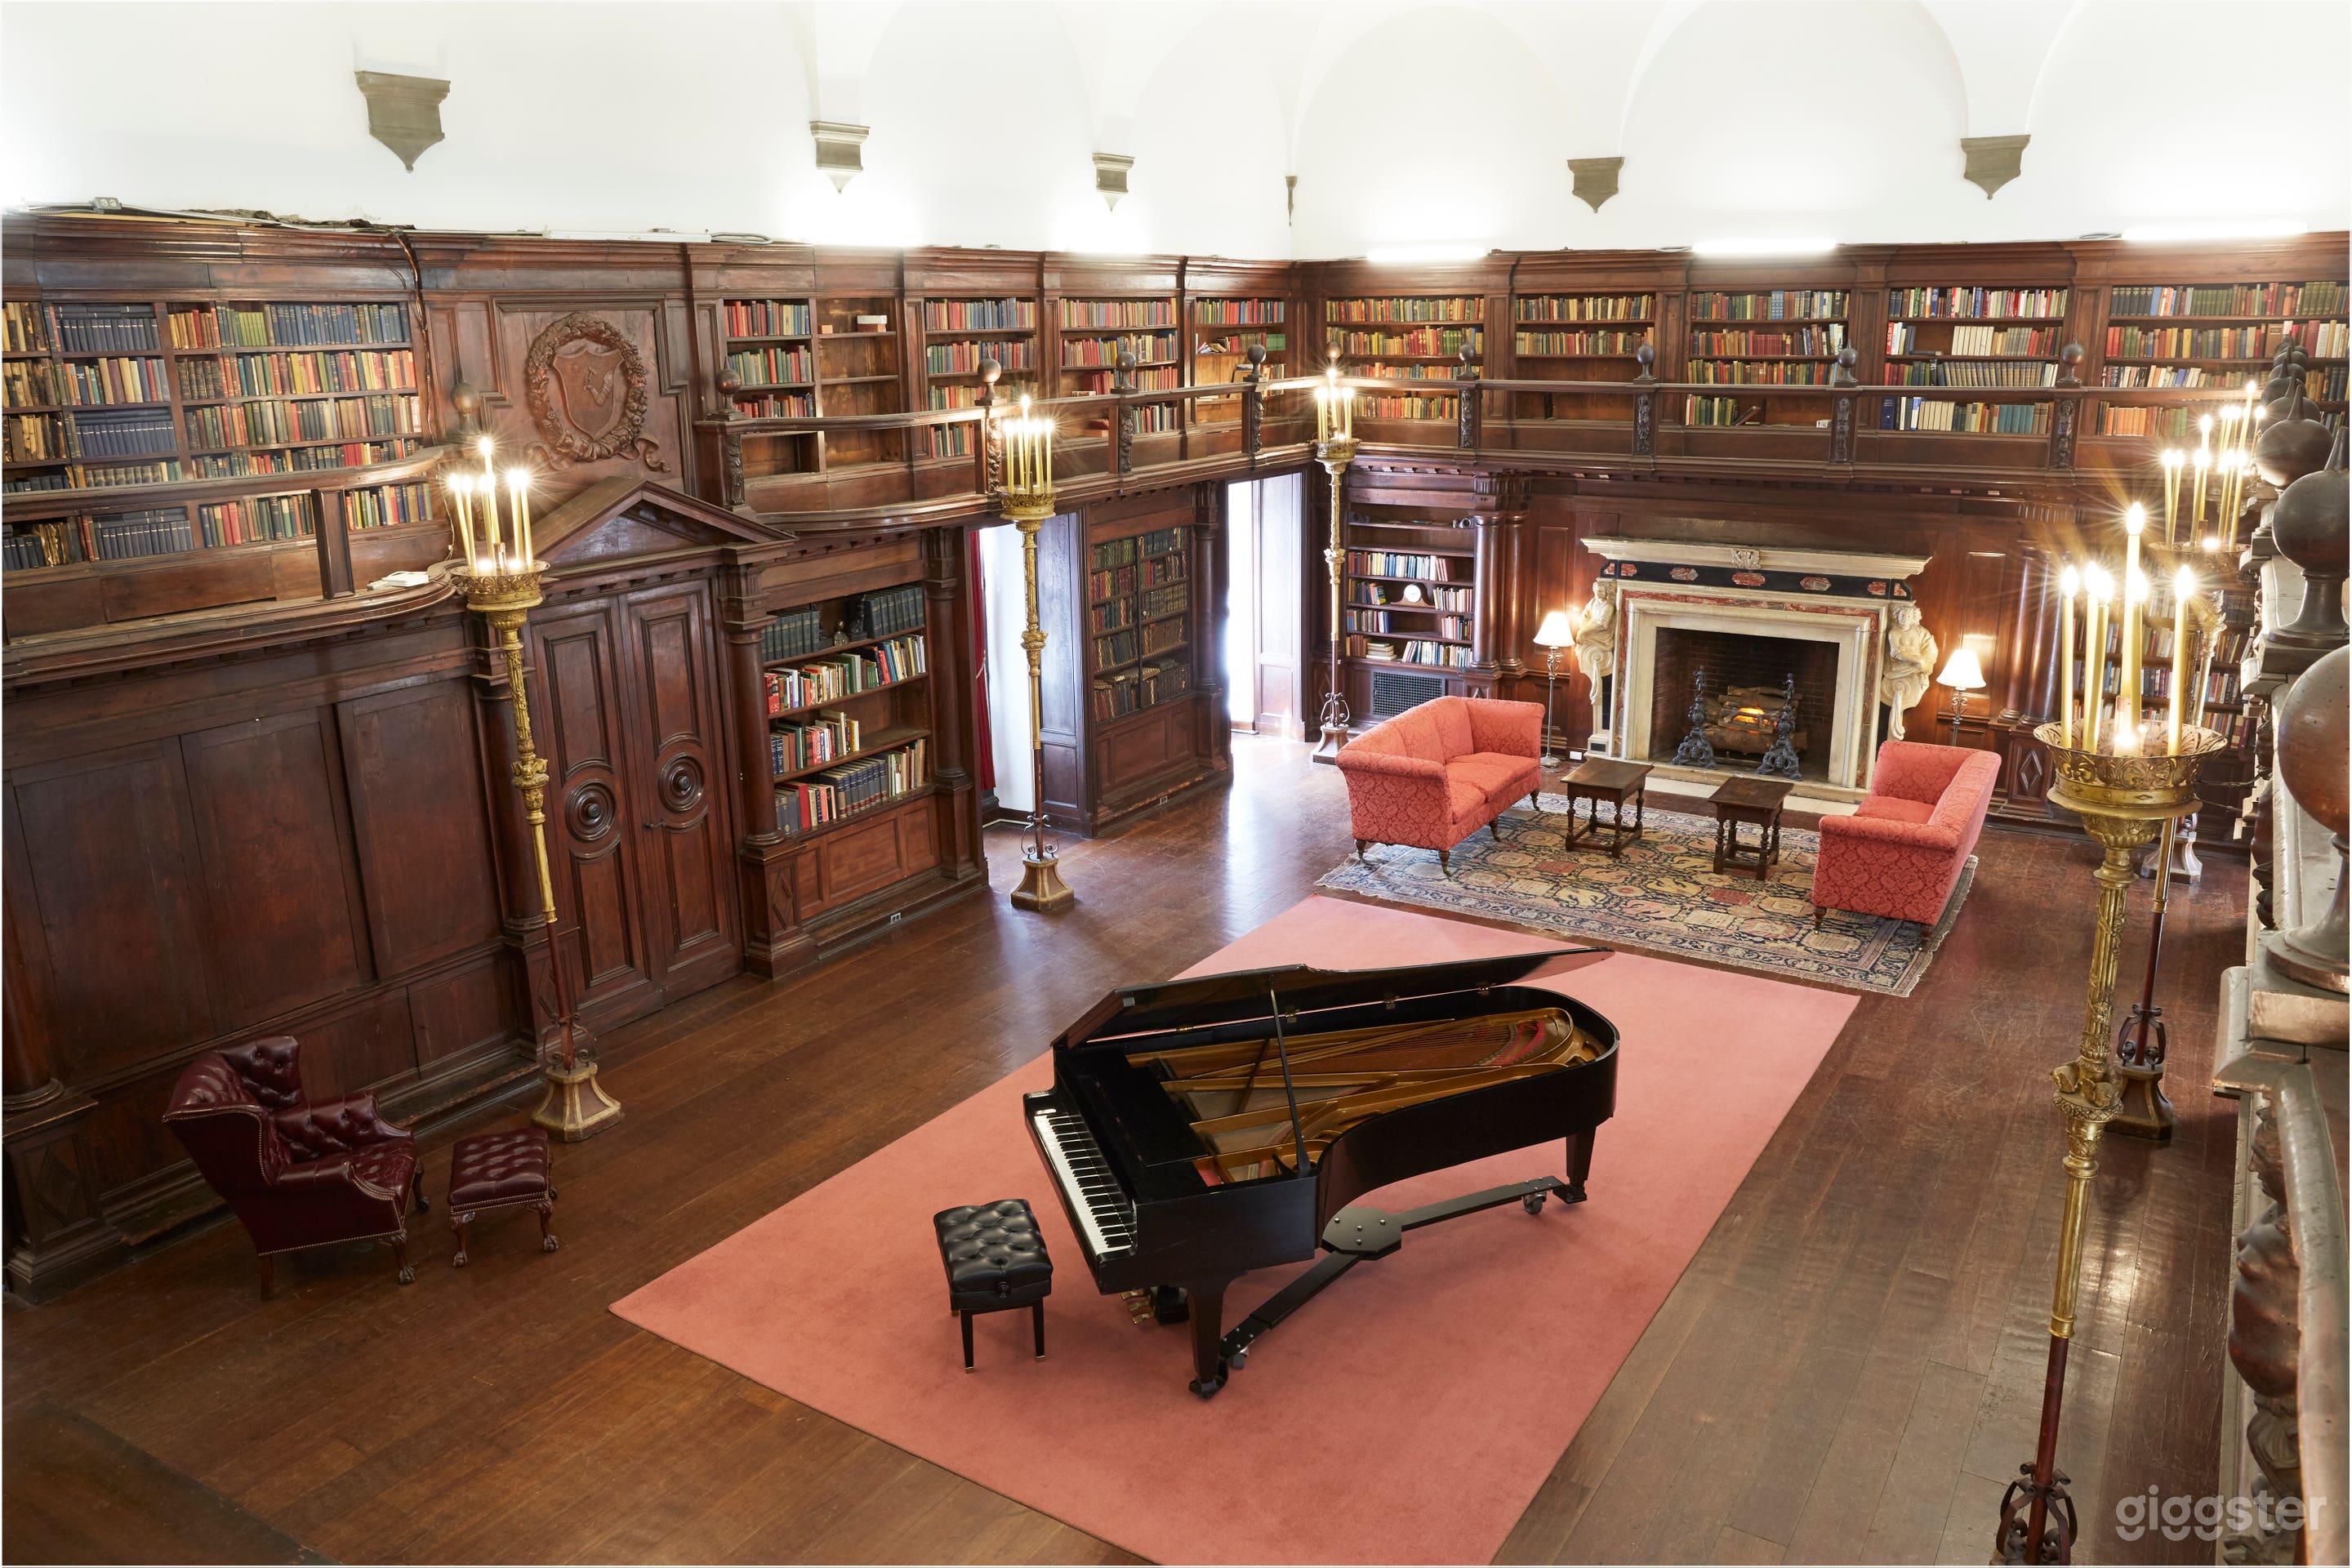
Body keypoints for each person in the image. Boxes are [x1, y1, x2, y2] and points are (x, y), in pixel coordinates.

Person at [1880, 602, 1937, 742]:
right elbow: (1896, 653)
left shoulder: (1921, 633)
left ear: (1913, 618)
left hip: (1914, 672)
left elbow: (1930, 650)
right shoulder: (1894, 633)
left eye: (1908, 616)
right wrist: (1919, 660)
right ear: (1897, 616)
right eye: (1902, 616)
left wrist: (1923, 662)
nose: (1905, 619)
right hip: (1898, 671)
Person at [1573, 577, 1619, 735]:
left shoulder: (1608, 606)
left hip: (1602, 639)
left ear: (1606, 592)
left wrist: (1583, 632)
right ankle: (1601, 734)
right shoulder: (1592, 603)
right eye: (1596, 590)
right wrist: (1584, 629)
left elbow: (1602, 624)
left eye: (1601, 590)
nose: (1598, 593)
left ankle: (1605, 734)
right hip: (1591, 636)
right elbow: (1584, 617)